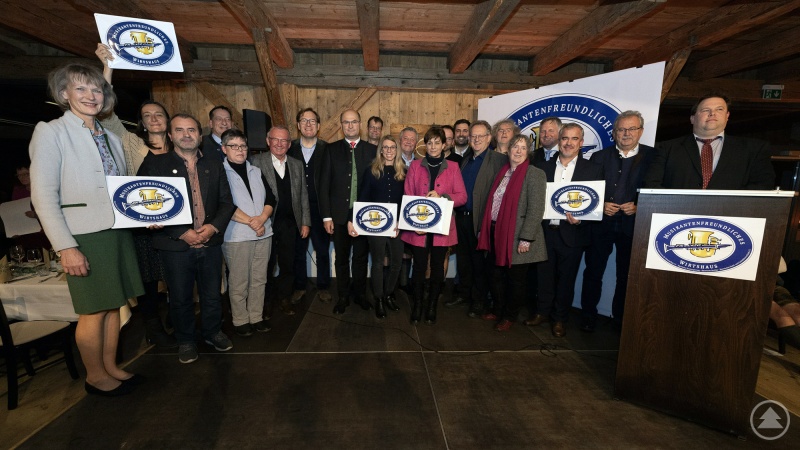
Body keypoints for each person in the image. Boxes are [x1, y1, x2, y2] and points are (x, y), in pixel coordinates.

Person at [30, 63, 144, 395]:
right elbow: (43, 195)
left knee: (112, 304)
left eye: (96, 89)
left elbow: (119, 187)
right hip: (85, 235)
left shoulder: (108, 135)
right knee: (93, 309)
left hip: (116, 230)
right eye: (81, 89)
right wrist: (66, 246)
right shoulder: (51, 131)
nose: (91, 96)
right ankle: (95, 376)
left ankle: (110, 366)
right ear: (64, 94)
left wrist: (141, 214)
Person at [138, 114, 235, 364]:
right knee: (180, 297)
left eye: (192, 130)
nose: (186, 134)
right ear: (171, 136)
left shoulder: (214, 164)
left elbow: (226, 202)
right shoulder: (154, 165)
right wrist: (182, 232)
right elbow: (148, 207)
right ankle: (186, 340)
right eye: (180, 130)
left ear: (199, 136)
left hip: (210, 242)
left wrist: (212, 228)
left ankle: (213, 332)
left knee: (212, 294)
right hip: (175, 245)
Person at [96, 43, 175, 348]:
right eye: (147, 115)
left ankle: (175, 320)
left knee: (175, 274)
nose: (154, 118)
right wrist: (108, 67)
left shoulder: (180, 149)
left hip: (175, 222)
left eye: (159, 114)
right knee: (149, 278)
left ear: (167, 120)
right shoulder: (130, 143)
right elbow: (104, 112)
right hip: (142, 221)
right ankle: (153, 326)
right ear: (141, 121)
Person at [580, 111, 654, 332]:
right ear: (614, 133)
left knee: (627, 275)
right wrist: (600, 204)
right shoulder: (599, 157)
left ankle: (620, 319)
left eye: (631, 129)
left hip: (633, 225)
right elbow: (588, 190)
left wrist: (640, 206)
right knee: (593, 272)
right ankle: (587, 316)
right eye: (621, 129)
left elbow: (658, 187)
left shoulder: (654, 157)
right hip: (602, 223)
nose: (626, 133)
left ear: (641, 131)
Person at [529, 123, 603, 337]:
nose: (568, 143)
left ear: (581, 143)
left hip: (573, 234)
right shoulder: (542, 167)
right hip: (545, 232)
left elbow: (595, 204)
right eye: (565, 139)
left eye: (574, 139)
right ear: (559, 141)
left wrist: (582, 219)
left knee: (566, 280)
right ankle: (542, 312)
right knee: (544, 277)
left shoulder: (592, 169)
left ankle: (559, 318)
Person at [476, 134, 547, 331]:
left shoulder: (534, 174)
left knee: (516, 280)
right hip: (494, 231)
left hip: (517, 236)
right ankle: (498, 309)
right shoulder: (503, 172)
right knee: (495, 274)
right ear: (508, 150)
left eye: (523, 148)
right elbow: (492, 202)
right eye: (515, 147)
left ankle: (509, 315)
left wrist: (526, 238)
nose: (518, 151)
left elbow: (536, 209)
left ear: (528, 152)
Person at [402, 126, 467, 325]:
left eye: (437, 142)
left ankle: (431, 306)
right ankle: (418, 305)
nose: (433, 146)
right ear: (425, 144)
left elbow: (462, 197)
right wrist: (414, 223)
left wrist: (443, 197)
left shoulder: (453, 167)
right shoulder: (414, 166)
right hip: (419, 227)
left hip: (441, 228)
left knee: (438, 267)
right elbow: (408, 196)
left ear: (444, 144)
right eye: (429, 142)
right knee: (419, 267)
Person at [644, 93, 774, 190]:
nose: (712, 113)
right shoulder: (667, 148)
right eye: (706, 110)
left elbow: (763, 185)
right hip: (679, 221)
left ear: (727, 116)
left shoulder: (754, 149)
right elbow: (652, 185)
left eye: (719, 109)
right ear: (693, 118)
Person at [220, 129, 276, 337]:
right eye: (234, 146)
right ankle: (240, 319)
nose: (240, 150)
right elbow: (224, 205)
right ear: (224, 149)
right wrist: (253, 223)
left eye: (243, 146)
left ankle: (256, 317)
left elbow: (271, 199)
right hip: (237, 236)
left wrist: (261, 219)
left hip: (264, 233)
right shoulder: (220, 172)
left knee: (259, 279)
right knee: (239, 280)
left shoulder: (256, 171)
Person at [320, 109, 376, 314]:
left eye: (353, 122)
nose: (350, 126)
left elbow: (374, 186)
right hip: (338, 216)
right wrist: (326, 216)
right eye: (346, 122)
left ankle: (360, 294)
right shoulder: (331, 149)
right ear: (341, 125)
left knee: (361, 258)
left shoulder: (372, 150)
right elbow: (324, 184)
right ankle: (343, 296)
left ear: (359, 124)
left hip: (363, 216)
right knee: (341, 259)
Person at [448, 120, 506, 316]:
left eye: (481, 136)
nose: (477, 139)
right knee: (464, 260)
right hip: (462, 218)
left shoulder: (498, 160)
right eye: (474, 136)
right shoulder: (466, 160)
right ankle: (464, 294)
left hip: (480, 219)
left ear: (489, 138)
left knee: (479, 263)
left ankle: (479, 301)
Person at [251, 126, 310, 317]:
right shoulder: (255, 162)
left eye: (284, 140)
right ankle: (265, 302)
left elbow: (303, 196)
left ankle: (284, 298)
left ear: (289, 143)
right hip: (266, 223)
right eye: (275, 139)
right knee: (265, 265)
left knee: (287, 264)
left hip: (290, 224)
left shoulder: (296, 164)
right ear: (268, 141)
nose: (279, 144)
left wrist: (305, 222)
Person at [349, 135, 405, 318]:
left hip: (397, 225)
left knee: (397, 262)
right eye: (385, 147)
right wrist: (354, 220)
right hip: (377, 225)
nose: (389, 151)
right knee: (379, 263)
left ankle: (389, 294)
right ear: (381, 150)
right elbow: (363, 198)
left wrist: (401, 221)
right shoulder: (371, 171)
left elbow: (407, 200)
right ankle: (379, 298)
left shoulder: (404, 171)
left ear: (397, 150)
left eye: (392, 147)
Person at [287, 108, 332, 303]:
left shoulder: (327, 149)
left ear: (319, 126)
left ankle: (323, 286)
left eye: (312, 121)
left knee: (322, 250)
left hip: (320, 208)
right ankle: (299, 286)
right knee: (298, 250)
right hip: (296, 210)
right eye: (304, 120)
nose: (308, 124)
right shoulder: (289, 148)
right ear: (298, 125)